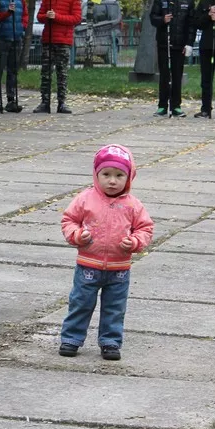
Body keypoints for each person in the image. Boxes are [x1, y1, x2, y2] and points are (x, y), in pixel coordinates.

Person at [58, 144, 154, 361]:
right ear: (96, 175)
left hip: (119, 268)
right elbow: (69, 220)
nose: (112, 181)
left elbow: (145, 228)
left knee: (115, 307)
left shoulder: (133, 205)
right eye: (106, 174)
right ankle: (71, 338)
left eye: (119, 175)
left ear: (129, 177)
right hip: (88, 265)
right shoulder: (85, 199)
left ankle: (110, 341)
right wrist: (76, 235)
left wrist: (135, 242)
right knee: (80, 302)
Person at [34, 0, 82, 114]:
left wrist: (57, 17)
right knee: (46, 73)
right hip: (48, 38)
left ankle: (62, 103)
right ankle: (45, 102)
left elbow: (76, 18)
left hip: (63, 40)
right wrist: (46, 16)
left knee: (62, 73)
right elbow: (39, 16)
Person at [148, 0, 195, 117]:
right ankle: (162, 105)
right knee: (164, 75)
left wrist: (189, 43)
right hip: (164, 43)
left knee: (177, 76)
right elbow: (152, 18)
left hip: (180, 44)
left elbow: (191, 24)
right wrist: (163, 19)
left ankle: (176, 106)